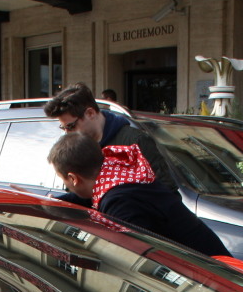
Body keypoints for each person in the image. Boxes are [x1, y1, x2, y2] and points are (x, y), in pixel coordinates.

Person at [47, 132, 228, 257]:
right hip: (213, 257)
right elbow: (84, 197)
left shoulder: (119, 202)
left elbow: (136, 255)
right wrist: (48, 203)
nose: (67, 186)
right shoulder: (117, 172)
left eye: (64, 180)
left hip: (209, 274)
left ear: (73, 178)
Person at [44, 83, 175, 191]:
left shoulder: (135, 142)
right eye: (63, 128)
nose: (67, 133)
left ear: (90, 113)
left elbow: (167, 192)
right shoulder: (74, 148)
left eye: (71, 126)